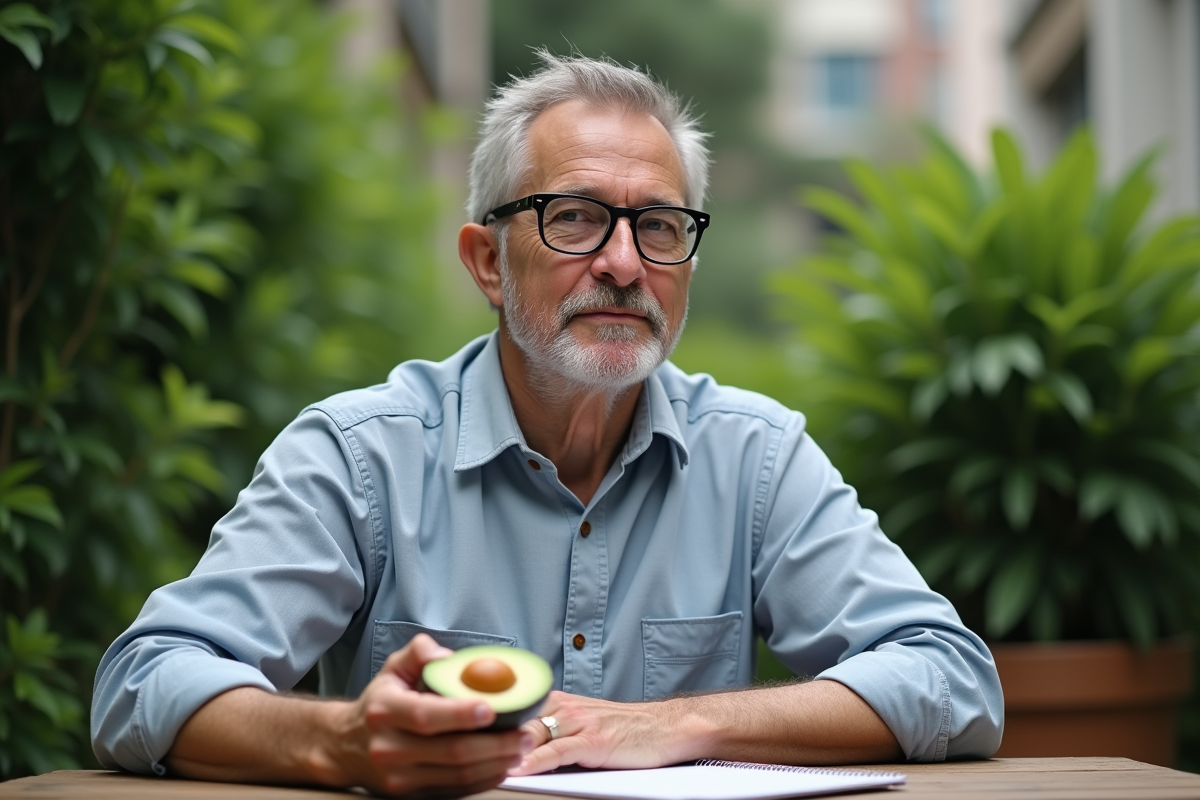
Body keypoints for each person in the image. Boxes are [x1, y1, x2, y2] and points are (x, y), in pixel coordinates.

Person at [92, 52, 1003, 797]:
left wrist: (681, 723)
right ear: (488, 262)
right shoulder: (361, 455)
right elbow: (147, 681)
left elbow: (949, 677)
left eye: (659, 225)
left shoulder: (754, 456)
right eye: (574, 218)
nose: (622, 263)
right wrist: (342, 743)